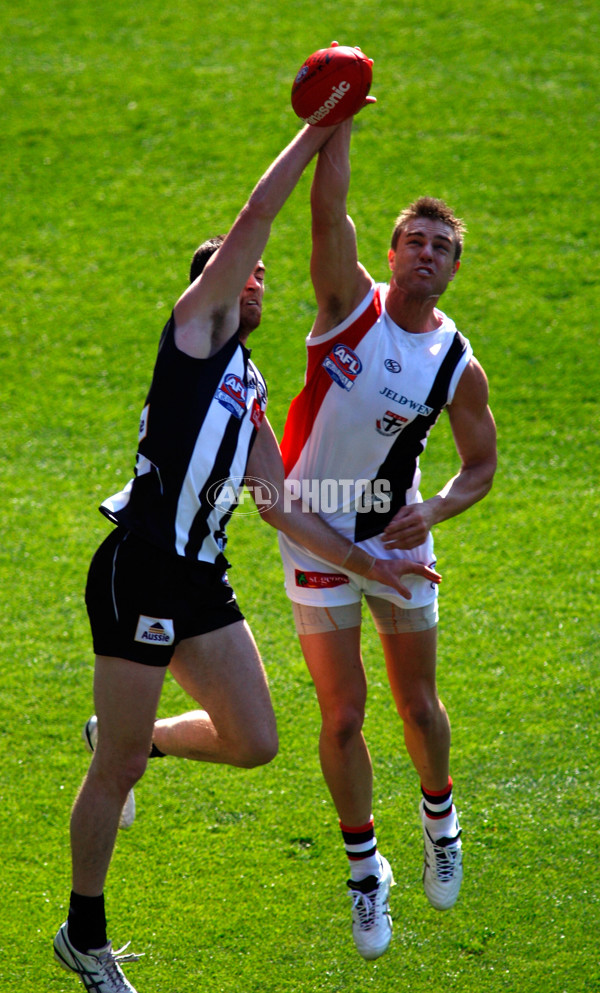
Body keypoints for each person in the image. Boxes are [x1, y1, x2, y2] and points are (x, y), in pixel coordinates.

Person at [52, 110, 442, 993]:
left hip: (199, 581)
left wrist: (373, 562)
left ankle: (136, 738)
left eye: (260, 277)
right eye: (245, 272)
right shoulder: (196, 330)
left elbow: (280, 503)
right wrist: (317, 129)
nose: (260, 279)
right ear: (217, 284)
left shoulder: (246, 380)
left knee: (257, 739)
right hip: (141, 564)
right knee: (111, 773)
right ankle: (85, 936)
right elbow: (259, 214)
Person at [278, 117, 497, 960]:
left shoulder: (455, 362)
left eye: (443, 245)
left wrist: (435, 510)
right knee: (343, 715)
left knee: (417, 704)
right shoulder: (347, 307)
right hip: (313, 528)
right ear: (395, 250)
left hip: (397, 539)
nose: (426, 253)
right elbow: (328, 212)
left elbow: (480, 465)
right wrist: (335, 119)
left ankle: (440, 817)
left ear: (452, 267)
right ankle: (367, 870)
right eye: (415, 239)